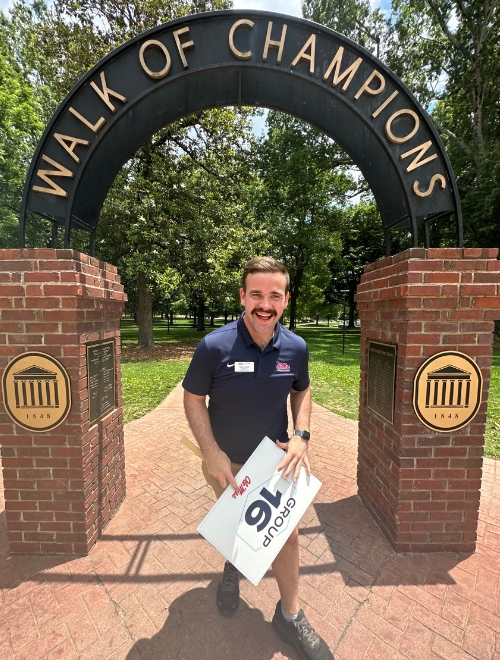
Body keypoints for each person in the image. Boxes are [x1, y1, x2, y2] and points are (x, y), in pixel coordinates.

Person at [182, 257, 333, 660]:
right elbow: (193, 399)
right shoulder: (214, 346)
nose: (265, 304)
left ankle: (289, 615)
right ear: (242, 297)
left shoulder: (296, 347)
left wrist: (301, 435)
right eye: (256, 295)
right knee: (235, 530)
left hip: (275, 462)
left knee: (287, 535)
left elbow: (302, 391)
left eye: (274, 295)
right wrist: (211, 453)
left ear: (285, 299)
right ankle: (233, 568)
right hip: (225, 464)